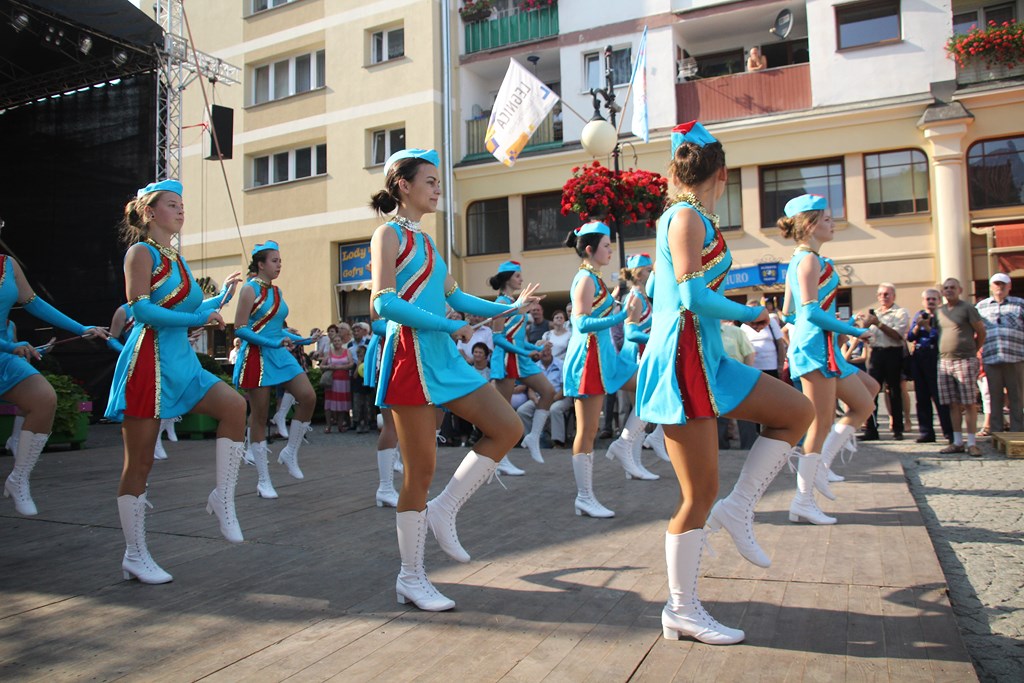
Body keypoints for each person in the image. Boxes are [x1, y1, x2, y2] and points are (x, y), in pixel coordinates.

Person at [635, 122, 814, 645]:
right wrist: (749, 311)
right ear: (724, 172)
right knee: (697, 494)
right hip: (684, 358)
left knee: (796, 412)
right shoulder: (687, 216)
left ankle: (738, 509)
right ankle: (681, 609)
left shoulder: (696, 215)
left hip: (707, 353)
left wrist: (740, 313)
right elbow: (692, 297)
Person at [369, 148, 538, 611]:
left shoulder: (428, 242)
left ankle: (446, 509)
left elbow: (455, 294)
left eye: (439, 181)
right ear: (402, 185)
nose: (438, 188)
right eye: (430, 180)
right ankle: (411, 577)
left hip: (444, 356)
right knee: (420, 472)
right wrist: (447, 324)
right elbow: (381, 304)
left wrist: (505, 308)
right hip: (411, 359)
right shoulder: (388, 234)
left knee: (508, 427)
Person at [106, 179, 246, 584]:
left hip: (182, 362)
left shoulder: (177, 259)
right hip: (148, 363)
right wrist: (197, 318)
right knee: (141, 463)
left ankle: (223, 498)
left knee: (234, 406)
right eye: (172, 204)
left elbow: (188, 307)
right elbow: (144, 312)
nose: (181, 210)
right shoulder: (141, 252)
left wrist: (218, 301)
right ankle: (135, 553)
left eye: (183, 204)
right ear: (150, 212)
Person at [778, 194, 878, 522]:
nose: (832, 223)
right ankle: (803, 500)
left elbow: (788, 312)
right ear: (809, 224)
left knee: (867, 396)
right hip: (816, 349)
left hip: (825, 347)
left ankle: (820, 465)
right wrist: (853, 330)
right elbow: (807, 312)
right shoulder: (807, 261)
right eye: (826, 219)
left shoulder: (804, 259)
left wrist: (835, 329)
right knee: (819, 424)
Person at [0, 248, 108, 517]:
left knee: (44, 399)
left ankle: (19, 479)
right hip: (6, 349)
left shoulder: (8, 264)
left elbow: (34, 302)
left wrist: (80, 328)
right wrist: (9, 346)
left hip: (4, 355)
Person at [563, 221, 644, 519]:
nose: (611, 250)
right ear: (589, 249)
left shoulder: (593, 278)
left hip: (605, 356)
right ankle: (584, 497)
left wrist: (621, 303)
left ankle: (624, 444)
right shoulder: (584, 279)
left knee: (647, 388)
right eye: (607, 246)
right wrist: (622, 314)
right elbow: (581, 323)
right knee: (587, 432)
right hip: (589, 359)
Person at [232, 241, 319, 496]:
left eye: (280, 261)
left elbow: (277, 327)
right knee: (259, 415)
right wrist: (272, 341)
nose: (279, 265)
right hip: (257, 356)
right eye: (274, 261)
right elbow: (240, 328)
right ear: (260, 264)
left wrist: (302, 339)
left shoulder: (277, 292)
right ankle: (263, 479)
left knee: (308, 397)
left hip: (279, 353)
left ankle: (290, 451)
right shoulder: (249, 290)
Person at [488, 261, 555, 469]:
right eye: (518, 276)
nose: (521, 280)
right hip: (506, 360)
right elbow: (498, 339)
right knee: (505, 413)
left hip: (520, 359)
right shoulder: (500, 303)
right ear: (508, 278)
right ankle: (500, 459)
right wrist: (527, 351)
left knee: (548, 391)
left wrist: (533, 346)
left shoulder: (515, 303)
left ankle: (533, 436)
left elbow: (517, 338)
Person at [616, 253, 665, 474]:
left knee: (642, 409)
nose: (652, 273)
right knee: (645, 408)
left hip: (643, 357)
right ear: (638, 273)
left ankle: (634, 465)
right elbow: (631, 332)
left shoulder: (643, 297)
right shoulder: (634, 298)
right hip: (635, 359)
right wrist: (656, 339)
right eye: (648, 270)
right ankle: (634, 455)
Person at [936, 278, 986, 456]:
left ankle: (972, 443)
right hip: (944, 361)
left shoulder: (968, 308)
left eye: (952, 288)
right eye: (946, 288)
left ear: (960, 289)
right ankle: (957, 442)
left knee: (969, 403)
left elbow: (981, 332)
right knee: (953, 404)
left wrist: (973, 350)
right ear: (942, 291)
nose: (949, 290)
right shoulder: (940, 311)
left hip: (965, 360)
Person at [976, 272, 1024, 433]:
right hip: (991, 357)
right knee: (994, 398)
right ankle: (996, 433)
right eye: (996, 284)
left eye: (1003, 284)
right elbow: (974, 329)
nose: (1000, 287)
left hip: (1015, 357)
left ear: (1009, 287)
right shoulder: (981, 306)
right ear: (991, 287)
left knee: (1016, 398)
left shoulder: (1020, 304)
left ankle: (1017, 433)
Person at [863, 283, 910, 440]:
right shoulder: (874, 313)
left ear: (894, 296)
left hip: (893, 353)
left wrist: (878, 323)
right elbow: (866, 334)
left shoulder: (900, 313)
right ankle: (871, 429)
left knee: (894, 392)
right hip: (876, 353)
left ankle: (898, 428)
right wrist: (865, 326)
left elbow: (898, 335)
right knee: (871, 391)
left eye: (887, 294)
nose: (883, 297)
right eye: (881, 294)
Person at [907, 288, 953, 443]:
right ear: (923, 301)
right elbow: (910, 337)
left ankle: (948, 431)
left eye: (934, 299)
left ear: (939, 300)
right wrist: (917, 326)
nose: (931, 302)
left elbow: (943, 337)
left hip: (936, 358)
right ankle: (926, 432)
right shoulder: (919, 315)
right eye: (928, 299)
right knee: (922, 397)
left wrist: (927, 328)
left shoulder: (943, 315)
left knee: (940, 397)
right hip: (919, 357)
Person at [516, 345, 573, 449]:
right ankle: (533, 440)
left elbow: (564, 389)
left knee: (554, 409)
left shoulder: (561, 365)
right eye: (542, 351)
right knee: (522, 411)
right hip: (540, 398)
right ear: (537, 354)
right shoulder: (535, 367)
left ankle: (558, 442)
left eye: (548, 350)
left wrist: (550, 400)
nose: (546, 353)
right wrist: (534, 399)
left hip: (560, 397)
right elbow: (531, 389)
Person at [322, 334, 354, 432]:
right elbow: (322, 366)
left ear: (342, 342)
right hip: (331, 381)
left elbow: (351, 364)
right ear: (332, 342)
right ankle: (328, 426)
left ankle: (340, 425)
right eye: (335, 341)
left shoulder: (347, 351)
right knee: (329, 403)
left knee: (342, 403)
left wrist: (339, 367)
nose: (337, 343)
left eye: (339, 341)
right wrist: (329, 367)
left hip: (343, 381)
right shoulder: (329, 353)